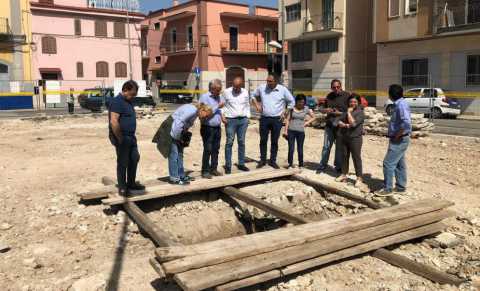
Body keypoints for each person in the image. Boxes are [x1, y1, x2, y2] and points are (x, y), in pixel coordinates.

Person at [108, 80, 145, 196]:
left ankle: (131, 183)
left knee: (134, 158)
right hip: (122, 136)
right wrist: (120, 138)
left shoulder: (128, 102)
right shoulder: (117, 102)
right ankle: (122, 187)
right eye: (132, 94)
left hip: (131, 136)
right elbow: (114, 122)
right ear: (125, 90)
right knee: (123, 161)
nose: (133, 96)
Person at [376, 84, 412, 196]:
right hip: (400, 138)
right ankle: (400, 187)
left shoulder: (401, 105)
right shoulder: (401, 103)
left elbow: (406, 123)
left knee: (388, 163)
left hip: (399, 139)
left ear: (391, 94)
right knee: (399, 164)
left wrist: (397, 135)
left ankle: (388, 188)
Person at [222, 77, 261, 174]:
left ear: (241, 85)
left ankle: (241, 163)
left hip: (243, 120)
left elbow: (247, 105)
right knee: (229, 142)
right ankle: (228, 165)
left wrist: (248, 117)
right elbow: (222, 105)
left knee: (241, 142)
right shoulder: (226, 92)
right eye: (234, 86)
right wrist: (222, 116)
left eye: (237, 87)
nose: (235, 88)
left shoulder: (245, 92)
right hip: (230, 120)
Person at [254, 74, 295, 169]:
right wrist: (257, 105)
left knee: (274, 141)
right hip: (264, 118)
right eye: (267, 80)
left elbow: (291, 101)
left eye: (270, 81)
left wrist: (286, 112)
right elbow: (253, 96)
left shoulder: (282, 89)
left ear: (275, 81)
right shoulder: (262, 88)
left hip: (277, 120)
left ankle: (273, 160)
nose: (268, 83)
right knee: (263, 140)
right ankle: (263, 160)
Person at [168, 103, 213, 185]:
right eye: (206, 115)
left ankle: (181, 175)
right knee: (174, 154)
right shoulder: (192, 111)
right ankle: (174, 178)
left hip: (178, 130)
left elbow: (186, 124)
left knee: (180, 154)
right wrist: (177, 137)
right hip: (172, 129)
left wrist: (183, 135)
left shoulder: (195, 113)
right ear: (203, 110)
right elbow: (178, 122)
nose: (205, 118)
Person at [316, 79, 350, 174]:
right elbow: (322, 108)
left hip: (341, 126)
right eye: (334, 87)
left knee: (339, 147)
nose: (336, 89)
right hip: (330, 125)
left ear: (341, 86)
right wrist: (325, 110)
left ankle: (338, 166)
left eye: (337, 87)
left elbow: (350, 111)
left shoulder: (347, 96)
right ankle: (322, 165)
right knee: (326, 146)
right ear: (331, 87)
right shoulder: (329, 96)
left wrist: (339, 113)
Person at [335, 94, 367, 190]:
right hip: (345, 137)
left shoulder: (360, 112)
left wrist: (349, 113)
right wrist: (342, 123)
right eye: (351, 102)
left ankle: (359, 177)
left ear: (358, 103)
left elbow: (353, 124)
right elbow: (337, 120)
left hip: (355, 138)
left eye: (354, 102)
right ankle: (344, 174)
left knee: (356, 157)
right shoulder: (346, 111)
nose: (352, 103)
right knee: (344, 156)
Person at [199, 79, 225, 179]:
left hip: (217, 127)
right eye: (218, 90)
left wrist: (223, 117)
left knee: (216, 149)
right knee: (208, 149)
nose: (219, 92)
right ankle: (205, 171)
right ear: (212, 88)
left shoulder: (219, 97)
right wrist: (217, 106)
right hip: (207, 127)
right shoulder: (204, 98)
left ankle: (213, 169)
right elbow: (204, 114)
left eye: (220, 90)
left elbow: (220, 110)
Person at [283, 94, 316, 168]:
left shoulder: (306, 109)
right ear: (296, 101)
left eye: (303, 102)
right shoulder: (292, 109)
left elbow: (314, 117)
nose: (301, 103)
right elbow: (287, 120)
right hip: (291, 131)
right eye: (299, 102)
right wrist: (285, 131)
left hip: (301, 132)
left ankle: (301, 164)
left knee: (300, 149)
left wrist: (307, 123)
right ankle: (290, 164)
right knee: (291, 149)